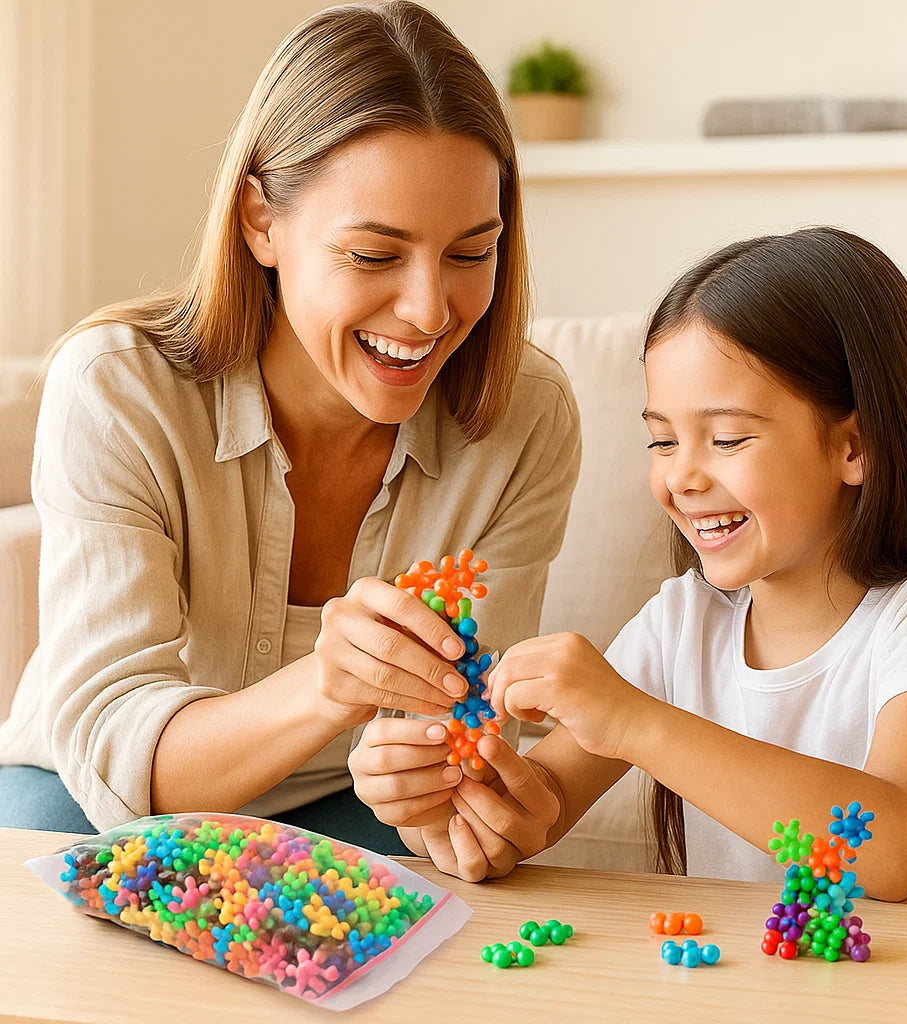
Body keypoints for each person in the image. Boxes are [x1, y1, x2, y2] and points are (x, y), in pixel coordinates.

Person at [0, 2, 581, 850]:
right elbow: (118, 751)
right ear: (260, 221)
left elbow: (469, 737)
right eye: (374, 255)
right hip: (94, 794)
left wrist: (474, 807)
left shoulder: (524, 416)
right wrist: (327, 687)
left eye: (470, 253)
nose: (428, 312)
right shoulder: (117, 388)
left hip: (355, 804)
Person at [349, 227, 907, 902]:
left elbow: (894, 850)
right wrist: (449, 797)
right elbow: (539, 809)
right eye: (663, 440)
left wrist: (636, 721)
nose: (682, 477)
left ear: (854, 446)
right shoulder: (681, 621)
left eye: (727, 438)